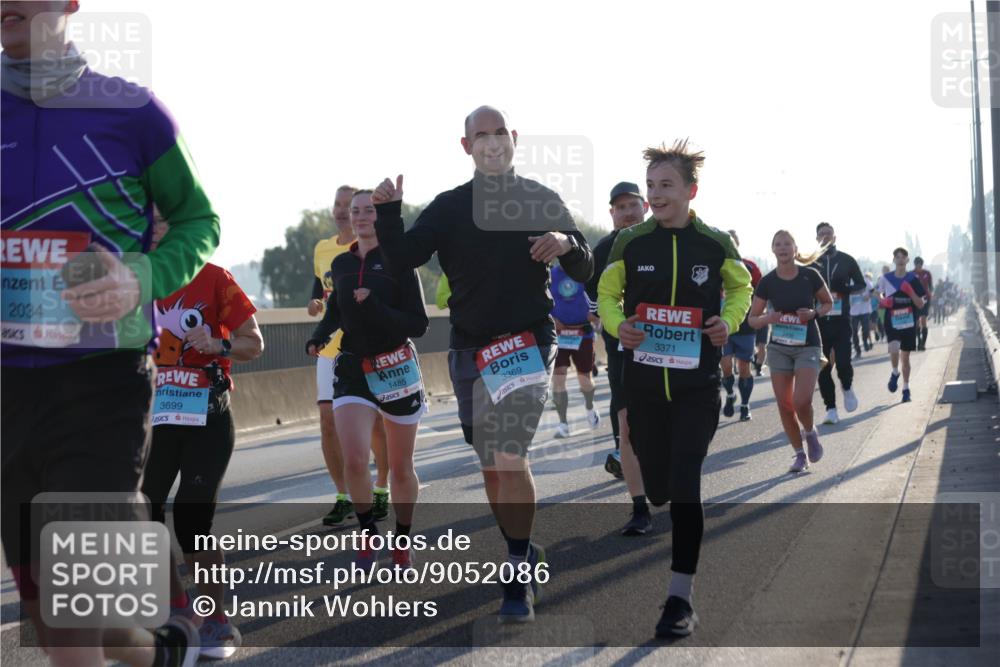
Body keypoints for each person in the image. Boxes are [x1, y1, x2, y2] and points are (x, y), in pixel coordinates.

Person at [2, 2, 219, 663]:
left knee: (72, 623)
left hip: (102, 386)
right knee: (69, 618)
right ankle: (161, 650)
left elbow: (199, 221)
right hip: (7, 392)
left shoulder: (133, 112)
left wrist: (142, 275)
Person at [371, 106, 593, 622]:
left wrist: (566, 242)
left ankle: (516, 573)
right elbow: (401, 257)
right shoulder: (450, 206)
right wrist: (388, 211)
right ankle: (524, 547)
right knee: (491, 463)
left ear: (513, 138)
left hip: (527, 341)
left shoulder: (539, 198)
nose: (492, 143)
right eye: (481, 136)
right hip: (471, 348)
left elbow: (585, 263)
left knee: (509, 452)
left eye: (499, 133)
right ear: (466, 146)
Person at [598, 140, 752, 638]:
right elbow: (607, 294)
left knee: (685, 486)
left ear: (691, 191)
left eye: (666, 185)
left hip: (696, 385)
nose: (656, 195)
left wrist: (728, 321)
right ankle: (653, 486)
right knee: (660, 489)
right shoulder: (630, 242)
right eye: (651, 186)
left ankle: (679, 597)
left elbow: (741, 287)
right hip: (643, 385)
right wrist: (618, 324)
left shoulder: (714, 243)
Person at [143, 213, 264, 659]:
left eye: (163, 220)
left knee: (192, 522)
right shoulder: (133, 279)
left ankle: (216, 621)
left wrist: (218, 344)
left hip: (207, 418)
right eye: (148, 219)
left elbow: (254, 343)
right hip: (153, 423)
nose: (154, 227)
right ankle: (173, 615)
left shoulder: (214, 278)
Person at [308, 189, 429, 569]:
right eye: (355, 211)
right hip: (352, 367)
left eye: (369, 211)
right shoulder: (341, 264)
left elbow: (418, 324)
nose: (360, 216)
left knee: (401, 465)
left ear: (380, 217)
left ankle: (402, 538)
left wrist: (374, 305)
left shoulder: (399, 263)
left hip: (395, 365)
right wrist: (319, 335)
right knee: (356, 458)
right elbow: (335, 310)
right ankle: (367, 531)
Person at [308, 186, 391, 527]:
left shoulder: (374, 248)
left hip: (368, 346)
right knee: (327, 422)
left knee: (376, 424)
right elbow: (321, 286)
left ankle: (381, 487)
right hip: (331, 350)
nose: (343, 211)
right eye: (338, 205)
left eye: (350, 206)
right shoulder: (323, 248)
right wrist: (315, 303)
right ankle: (343, 495)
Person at [585, 181, 651, 532]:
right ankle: (639, 508)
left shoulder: (661, 240)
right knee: (625, 415)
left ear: (645, 207)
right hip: (621, 346)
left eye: (632, 206)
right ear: (611, 212)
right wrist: (612, 322)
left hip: (664, 348)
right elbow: (592, 298)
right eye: (620, 207)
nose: (627, 213)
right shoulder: (602, 250)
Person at [748, 231, 833, 473]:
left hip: (808, 345)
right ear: (772, 249)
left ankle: (810, 432)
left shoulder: (810, 275)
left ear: (795, 249)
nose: (783, 248)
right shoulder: (768, 281)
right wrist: (769, 318)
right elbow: (753, 319)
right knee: (785, 405)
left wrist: (814, 313)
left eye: (787, 244)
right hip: (779, 348)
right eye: (778, 244)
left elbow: (828, 303)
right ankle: (799, 455)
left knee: (801, 400)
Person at [814, 222, 865, 425]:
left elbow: (861, 285)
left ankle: (847, 386)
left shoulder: (846, 260)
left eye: (828, 233)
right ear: (816, 238)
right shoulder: (811, 262)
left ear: (834, 237)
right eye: (821, 234)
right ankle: (831, 409)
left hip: (841, 321)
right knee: (823, 367)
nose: (825, 236)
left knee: (843, 362)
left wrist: (846, 289)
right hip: (819, 323)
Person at [550, 263, 601, 437]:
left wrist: (596, 315)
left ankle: (590, 407)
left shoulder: (586, 271)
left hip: (583, 334)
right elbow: (540, 300)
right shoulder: (550, 274)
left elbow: (597, 295)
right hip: (559, 335)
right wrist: (552, 318)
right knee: (558, 378)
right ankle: (563, 423)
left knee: (585, 379)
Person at [720, 230, 762, 422]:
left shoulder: (750, 266)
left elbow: (760, 293)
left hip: (745, 326)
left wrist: (759, 317)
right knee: (726, 366)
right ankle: (730, 394)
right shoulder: (713, 264)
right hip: (722, 326)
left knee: (744, 367)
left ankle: (745, 405)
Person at [876, 248, 926, 403]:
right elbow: (877, 293)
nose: (900, 259)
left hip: (909, 321)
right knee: (893, 348)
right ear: (894, 260)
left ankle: (906, 388)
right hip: (892, 320)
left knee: (905, 357)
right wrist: (883, 301)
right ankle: (894, 372)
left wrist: (910, 292)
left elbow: (920, 304)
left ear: (907, 260)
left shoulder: (913, 279)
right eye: (897, 257)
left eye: (903, 257)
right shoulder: (886, 278)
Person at [850, 271, 876, 358]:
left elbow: (873, 291)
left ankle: (865, 341)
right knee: (854, 331)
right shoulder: (848, 282)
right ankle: (857, 350)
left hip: (865, 310)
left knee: (866, 328)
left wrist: (869, 296)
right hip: (853, 311)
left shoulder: (865, 280)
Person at [912, 256, 933, 351]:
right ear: (915, 265)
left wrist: (930, 295)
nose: (919, 266)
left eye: (920, 265)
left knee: (924, 320)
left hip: (925, 299)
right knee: (916, 322)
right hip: (915, 299)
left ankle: (923, 344)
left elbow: (931, 287)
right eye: (917, 265)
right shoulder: (911, 274)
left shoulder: (927, 273)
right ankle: (919, 341)